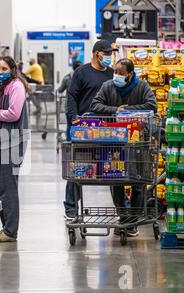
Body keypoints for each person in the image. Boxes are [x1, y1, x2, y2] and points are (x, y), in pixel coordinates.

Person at [90, 58, 157, 237]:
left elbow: (152, 106)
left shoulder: (142, 86)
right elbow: (95, 105)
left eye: (121, 73)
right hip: (114, 143)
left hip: (138, 143)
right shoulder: (107, 86)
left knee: (139, 181)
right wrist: (115, 110)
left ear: (130, 74)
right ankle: (123, 216)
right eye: (116, 72)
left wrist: (129, 111)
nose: (117, 76)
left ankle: (132, 220)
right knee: (115, 180)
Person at [64, 40, 117, 220]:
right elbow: (71, 97)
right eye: (107, 53)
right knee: (78, 169)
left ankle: (123, 212)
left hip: (107, 130)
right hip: (84, 129)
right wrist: (74, 120)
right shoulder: (82, 72)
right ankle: (71, 208)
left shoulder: (112, 74)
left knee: (115, 170)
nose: (110, 57)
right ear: (97, 54)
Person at [0, 56, 30, 242]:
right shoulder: (5, 88)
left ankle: (11, 231)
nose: (0, 72)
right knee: (0, 185)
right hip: (5, 140)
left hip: (14, 140)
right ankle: (6, 228)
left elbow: (14, 113)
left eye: (4, 69)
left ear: (12, 69)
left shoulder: (16, 86)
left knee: (8, 186)